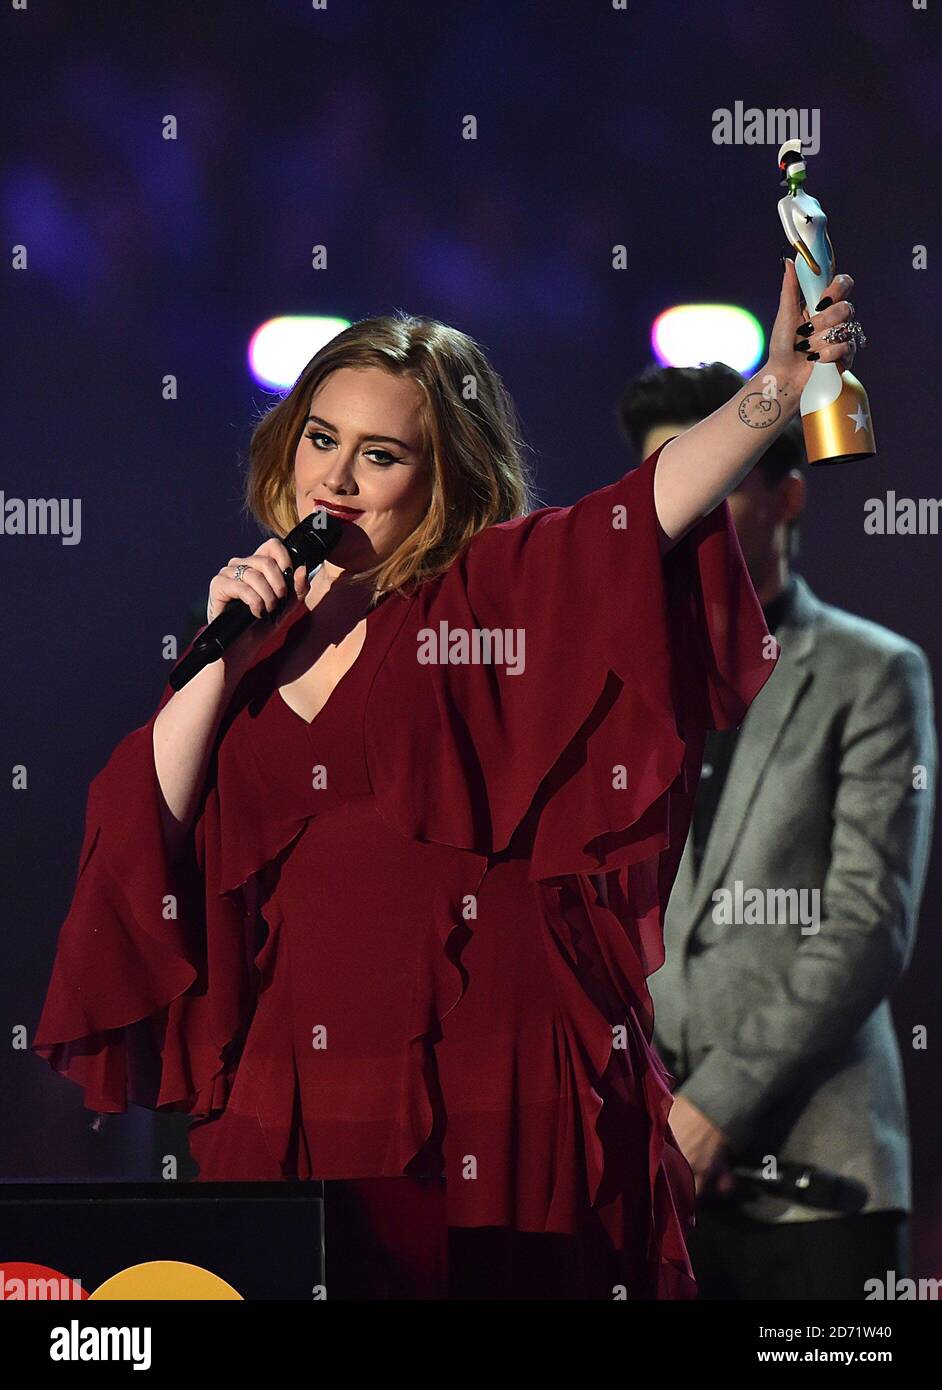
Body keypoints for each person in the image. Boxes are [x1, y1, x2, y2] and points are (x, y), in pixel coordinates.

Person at [32, 262, 860, 1300]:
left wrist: (775, 386)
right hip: (299, 1081)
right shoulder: (246, 640)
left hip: (491, 1067)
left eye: (378, 455)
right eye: (320, 438)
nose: (333, 477)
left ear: (443, 479)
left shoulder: (487, 591)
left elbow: (642, 510)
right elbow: (139, 822)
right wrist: (220, 657)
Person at [619, 362, 936, 1300]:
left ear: (788, 495)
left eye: (723, 478)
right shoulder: (618, 680)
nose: (689, 501)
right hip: (640, 1175)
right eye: (668, 479)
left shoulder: (874, 672)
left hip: (818, 1182)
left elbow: (867, 923)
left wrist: (713, 1106)